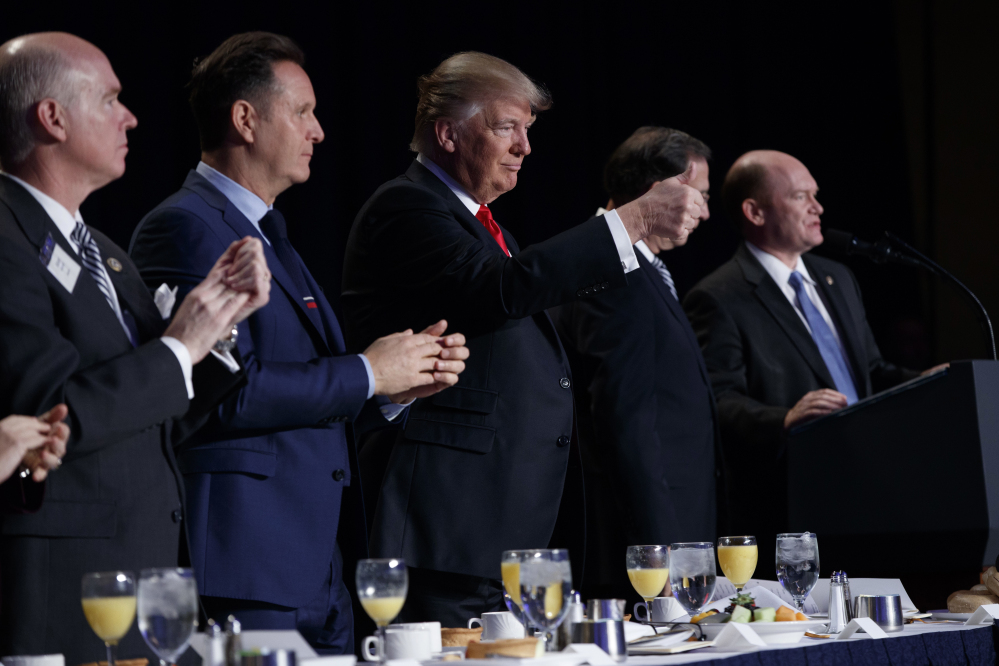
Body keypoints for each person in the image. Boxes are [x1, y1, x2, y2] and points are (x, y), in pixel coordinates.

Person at [129, 32, 468, 652]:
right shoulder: (183, 227)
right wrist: (366, 371)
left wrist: (393, 389)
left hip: (320, 571)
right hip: (246, 567)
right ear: (245, 119)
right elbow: (216, 393)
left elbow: (305, 402)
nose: (318, 131)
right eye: (303, 112)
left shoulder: (272, 231)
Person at [341, 52, 704, 626]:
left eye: (528, 131)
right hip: (447, 532)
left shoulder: (488, 226)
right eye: (507, 127)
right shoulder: (405, 206)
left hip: (506, 533)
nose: (524, 148)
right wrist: (630, 223)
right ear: (448, 134)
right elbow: (502, 290)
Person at [0, 33, 270, 661]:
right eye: (112, 99)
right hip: (64, 593)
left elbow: (156, 414)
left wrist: (217, 332)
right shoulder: (6, 238)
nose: (132, 116)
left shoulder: (105, 252)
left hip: (146, 583)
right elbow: (48, 415)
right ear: (52, 117)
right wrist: (180, 345)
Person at [683, 149, 927, 549]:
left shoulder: (838, 278)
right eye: (801, 196)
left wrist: (930, 381)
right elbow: (717, 400)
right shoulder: (718, 296)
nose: (818, 207)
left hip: (870, 483)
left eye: (815, 194)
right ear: (755, 212)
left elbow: (871, 371)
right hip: (792, 499)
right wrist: (784, 419)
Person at [552, 127, 719, 601]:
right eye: (699, 196)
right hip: (647, 558)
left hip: (673, 533)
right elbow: (624, 418)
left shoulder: (636, 266)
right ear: (658, 190)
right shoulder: (612, 272)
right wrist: (658, 549)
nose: (705, 212)